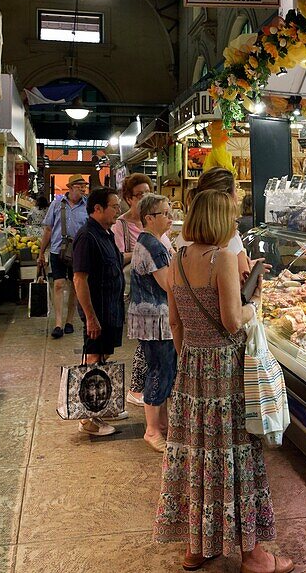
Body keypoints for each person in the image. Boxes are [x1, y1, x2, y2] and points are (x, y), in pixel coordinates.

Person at [154, 190, 293, 573]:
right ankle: (253, 555)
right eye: (231, 217)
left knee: (196, 456)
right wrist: (255, 305)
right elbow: (233, 320)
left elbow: (175, 323)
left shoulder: (177, 259)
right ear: (218, 220)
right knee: (236, 455)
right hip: (226, 371)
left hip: (192, 370)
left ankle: (196, 547)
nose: (235, 223)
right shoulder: (224, 259)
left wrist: (188, 361)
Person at [70, 187, 127, 436]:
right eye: (114, 206)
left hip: (111, 309)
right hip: (98, 312)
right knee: (92, 361)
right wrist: (90, 317)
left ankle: (101, 406)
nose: (119, 210)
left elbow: (115, 262)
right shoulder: (86, 237)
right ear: (98, 209)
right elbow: (79, 280)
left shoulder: (106, 234)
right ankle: (87, 418)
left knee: (102, 359)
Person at [129, 194, 176, 453]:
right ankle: (152, 430)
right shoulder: (153, 246)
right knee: (159, 370)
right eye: (165, 214)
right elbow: (168, 284)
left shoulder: (152, 241)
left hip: (153, 319)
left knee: (164, 369)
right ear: (149, 218)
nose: (170, 218)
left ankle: (163, 423)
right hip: (155, 320)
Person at [113, 173, 157, 408]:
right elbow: (118, 257)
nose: (144, 198)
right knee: (145, 339)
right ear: (128, 198)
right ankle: (136, 388)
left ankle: (143, 386)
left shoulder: (153, 219)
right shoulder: (120, 224)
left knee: (150, 339)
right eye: (139, 195)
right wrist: (147, 249)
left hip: (157, 287)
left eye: (148, 192)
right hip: (135, 289)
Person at [40, 175, 89, 339]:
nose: (82, 189)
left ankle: (69, 321)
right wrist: (41, 253)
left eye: (84, 186)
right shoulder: (57, 204)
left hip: (79, 252)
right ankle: (58, 323)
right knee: (59, 284)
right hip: (57, 250)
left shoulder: (87, 206)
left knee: (76, 287)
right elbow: (48, 229)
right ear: (70, 187)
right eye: (79, 186)